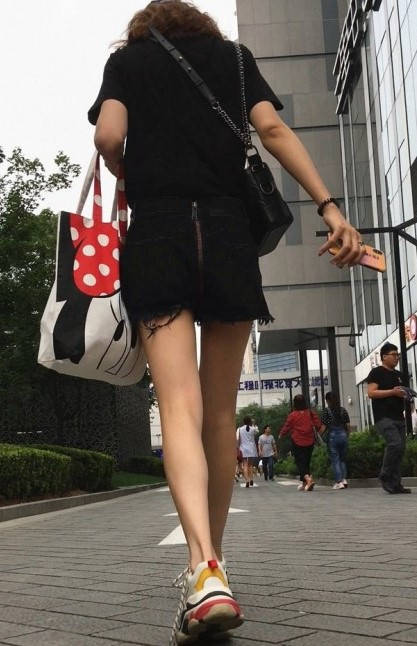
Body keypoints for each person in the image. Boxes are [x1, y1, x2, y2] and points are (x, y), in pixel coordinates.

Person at [88, 1, 363, 642]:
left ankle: (202, 568)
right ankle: (214, 566)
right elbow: (272, 130)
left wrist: (127, 165)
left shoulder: (127, 63)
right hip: (227, 235)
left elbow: (107, 137)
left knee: (178, 408)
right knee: (218, 412)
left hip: (159, 235)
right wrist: (329, 208)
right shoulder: (235, 61)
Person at [367, 343, 410, 494]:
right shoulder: (376, 372)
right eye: (394, 355)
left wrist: (406, 395)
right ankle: (385, 474)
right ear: (384, 356)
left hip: (399, 416)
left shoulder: (400, 375)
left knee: (400, 450)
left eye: (398, 355)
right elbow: (371, 393)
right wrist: (392, 392)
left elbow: (403, 393)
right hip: (383, 416)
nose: (397, 357)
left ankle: (395, 484)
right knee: (395, 444)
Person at [279, 395, 321, 491]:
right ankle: (304, 484)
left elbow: (287, 426)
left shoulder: (292, 415)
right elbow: (318, 424)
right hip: (310, 441)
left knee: (300, 462)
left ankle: (308, 479)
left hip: (297, 441)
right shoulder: (310, 413)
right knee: (306, 462)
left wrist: (281, 434)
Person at [320, 392, 351, 489]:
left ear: (328, 401)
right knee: (342, 459)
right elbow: (348, 425)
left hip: (332, 436)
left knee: (335, 459)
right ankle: (344, 479)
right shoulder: (343, 410)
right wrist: (347, 435)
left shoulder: (326, 411)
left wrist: (319, 435)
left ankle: (339, 482)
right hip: (343, 435)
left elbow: (323, 427)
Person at [237, 416, 259, 487]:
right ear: (250, 422)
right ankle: (251, 479)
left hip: (243, 449)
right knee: (250, 465)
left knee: (245, 465)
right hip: (251, 449)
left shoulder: (239, 429)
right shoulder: (253, 429)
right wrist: (253, 424)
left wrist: (237, 448)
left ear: (243, 422)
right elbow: (257, 431)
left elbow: (238, 439)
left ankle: (247, 480)